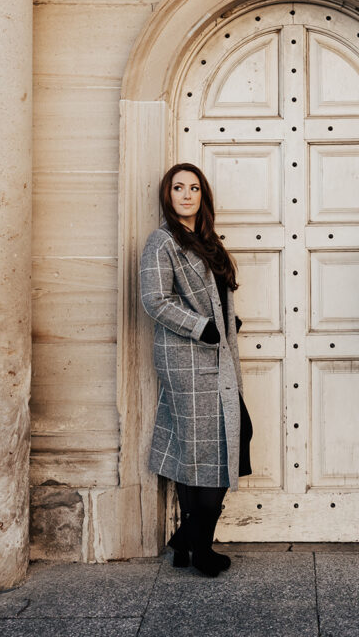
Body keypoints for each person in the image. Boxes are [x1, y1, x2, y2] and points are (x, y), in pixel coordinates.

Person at [140, 163, 252, 577]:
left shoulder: (206, 240)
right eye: (177, 188)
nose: (186, 195)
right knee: (206, 448)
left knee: (216, 442)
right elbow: (155, 299)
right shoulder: (162, 241)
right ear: (167, 196)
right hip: (188, 358)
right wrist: (202, 327)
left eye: (194, 188)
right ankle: (199, 546)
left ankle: (188, 539)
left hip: (216, 353)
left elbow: (217, 295)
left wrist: (225, 322)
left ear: (202, 195)